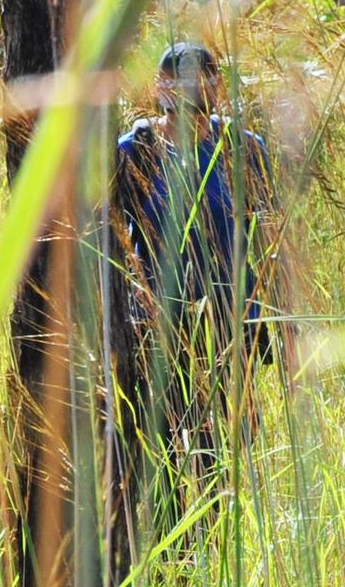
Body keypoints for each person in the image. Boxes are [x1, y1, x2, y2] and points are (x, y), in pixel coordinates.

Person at [109, 42, 277, 571]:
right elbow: (113, 236)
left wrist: (273, 318)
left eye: (200, 80)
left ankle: (212, 560)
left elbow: (269, 237)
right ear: (157, 88)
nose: (187, 92)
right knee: (156, 456)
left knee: (220, 457)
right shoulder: (134, 151)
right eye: (173, 81)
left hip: (230, 331)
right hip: (157, 330)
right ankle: (164, 565)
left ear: (217, 85)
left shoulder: (242, 148)